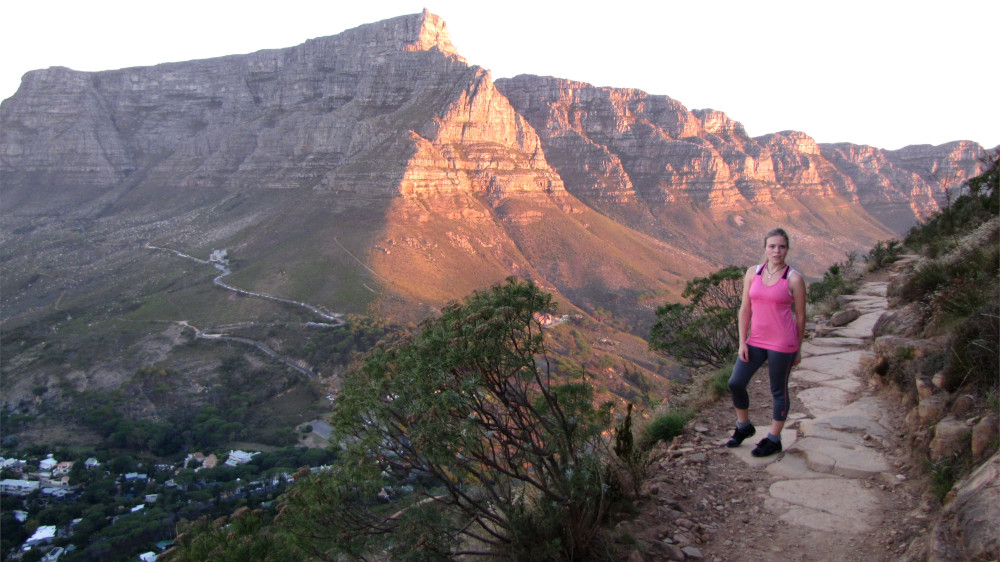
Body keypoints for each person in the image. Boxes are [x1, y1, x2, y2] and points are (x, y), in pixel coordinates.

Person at [725, 227, 807, 457]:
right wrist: (742, 342)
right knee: (736, 383)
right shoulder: (754, 273)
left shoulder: (794, 278)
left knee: (778, 390)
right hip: (756, 340)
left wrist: (798, 348)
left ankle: (774, 439)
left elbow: (801, 316)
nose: (776, 251)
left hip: (783, 343)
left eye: (781, 247)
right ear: (765, 248)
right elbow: (745, 309)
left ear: (787, 249)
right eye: (772, 246)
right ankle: (744, 426)